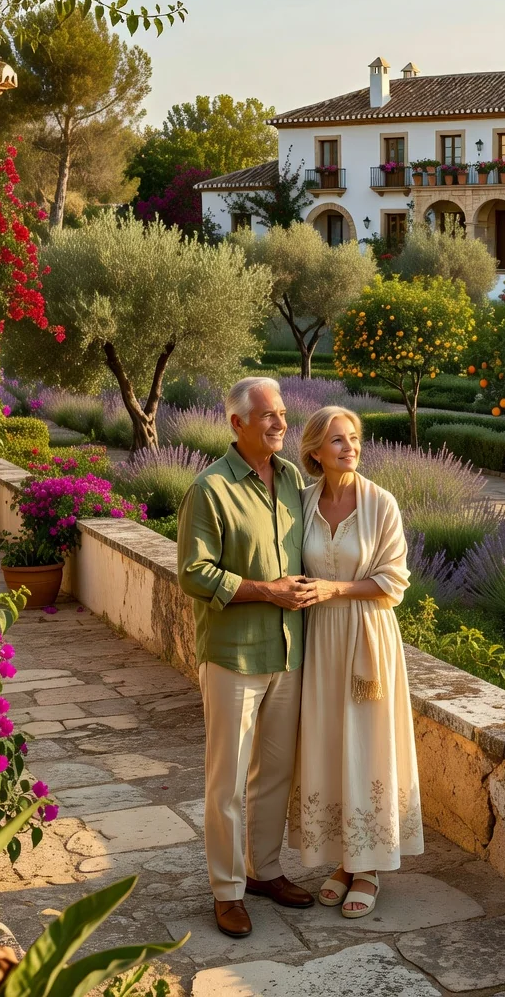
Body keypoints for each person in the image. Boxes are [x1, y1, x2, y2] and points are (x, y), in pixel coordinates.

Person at [177, 376, 317, 939]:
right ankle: (227, 890)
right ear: (236, 424)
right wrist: (269, 590)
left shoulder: (291, 480)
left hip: (289, 652)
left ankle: (264, 871)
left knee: (275, 775)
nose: (281, 423)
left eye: (282, 413)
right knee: (227, 781)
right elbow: (192, 571)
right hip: (233, 656)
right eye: (267, 416)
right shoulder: (209, 489)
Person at [288, 405, 424, 918]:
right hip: (318, 641)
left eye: (355, 439)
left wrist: (334, 588)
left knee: (366, 745)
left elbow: (394, 580)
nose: (350, 448)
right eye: (339, 441)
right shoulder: (300, 503)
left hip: (367, 639)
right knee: (326, 744)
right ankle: (341, 861)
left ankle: (368, 866)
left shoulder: (381, 503)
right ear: (316, 451)